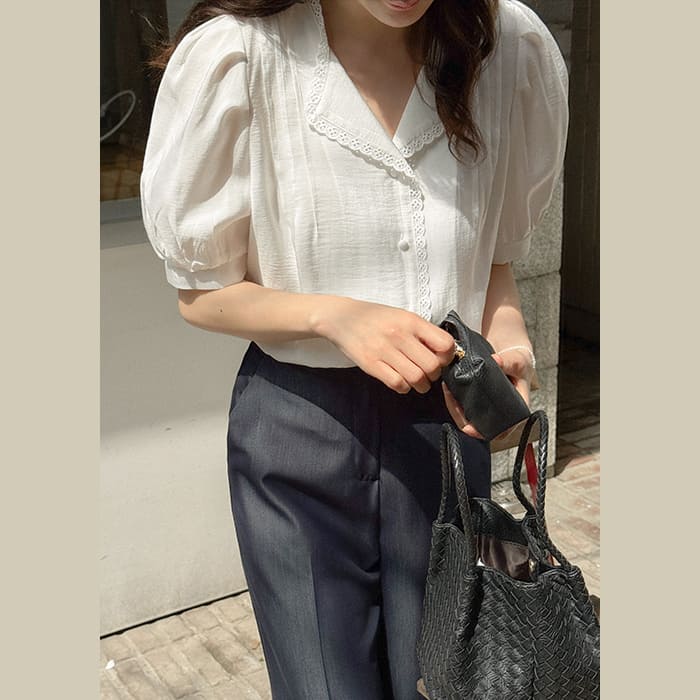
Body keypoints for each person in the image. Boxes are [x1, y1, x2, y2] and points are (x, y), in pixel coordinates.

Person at [141, 0, 568, 697]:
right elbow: (201, 294)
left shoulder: (504, 46)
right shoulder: (241, 59)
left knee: (445, 676)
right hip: (299, 430)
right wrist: (332, 316)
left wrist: (510, 337)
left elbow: (496, 256)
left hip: (443, 426)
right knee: (322, 681)